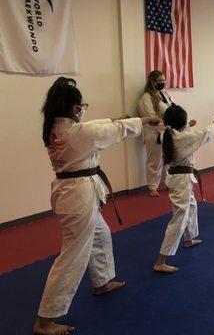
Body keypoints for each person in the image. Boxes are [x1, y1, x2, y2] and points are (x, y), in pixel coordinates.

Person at [33, 78, 159, 335]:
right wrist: (143, 121)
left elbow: (97, 126)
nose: (83, 110)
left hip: (73, 192)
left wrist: (116, 118)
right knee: (73, 254)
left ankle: (102, 281)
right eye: (81, 106)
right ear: (71, 108)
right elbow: (106, 131)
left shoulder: (57, 128)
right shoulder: (78, 133)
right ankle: (45, 320)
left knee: (100, 234)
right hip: (77, 195)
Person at [153, 104, 214, 273]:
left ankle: (189, 237)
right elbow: (206, 134)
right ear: (181, 124)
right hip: (181, 180)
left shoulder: (166, 134)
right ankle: (160, 261)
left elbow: (183, 135)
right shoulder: (183, 138)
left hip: (178, 178)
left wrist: (187, 125)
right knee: (179, 217)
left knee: (191, 205)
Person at [138, 70, 173, 197]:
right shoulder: (146, 98)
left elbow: (171, 109)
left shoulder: (164, 95)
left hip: (166, 131)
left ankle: (167, 182)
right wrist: (166, 125)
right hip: (153, 132)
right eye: (160, 81)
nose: (163, 83)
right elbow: (151, 117)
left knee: (167, 159)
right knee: (155, 160)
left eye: (164, 80)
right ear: (152, 82)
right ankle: (152, 186)